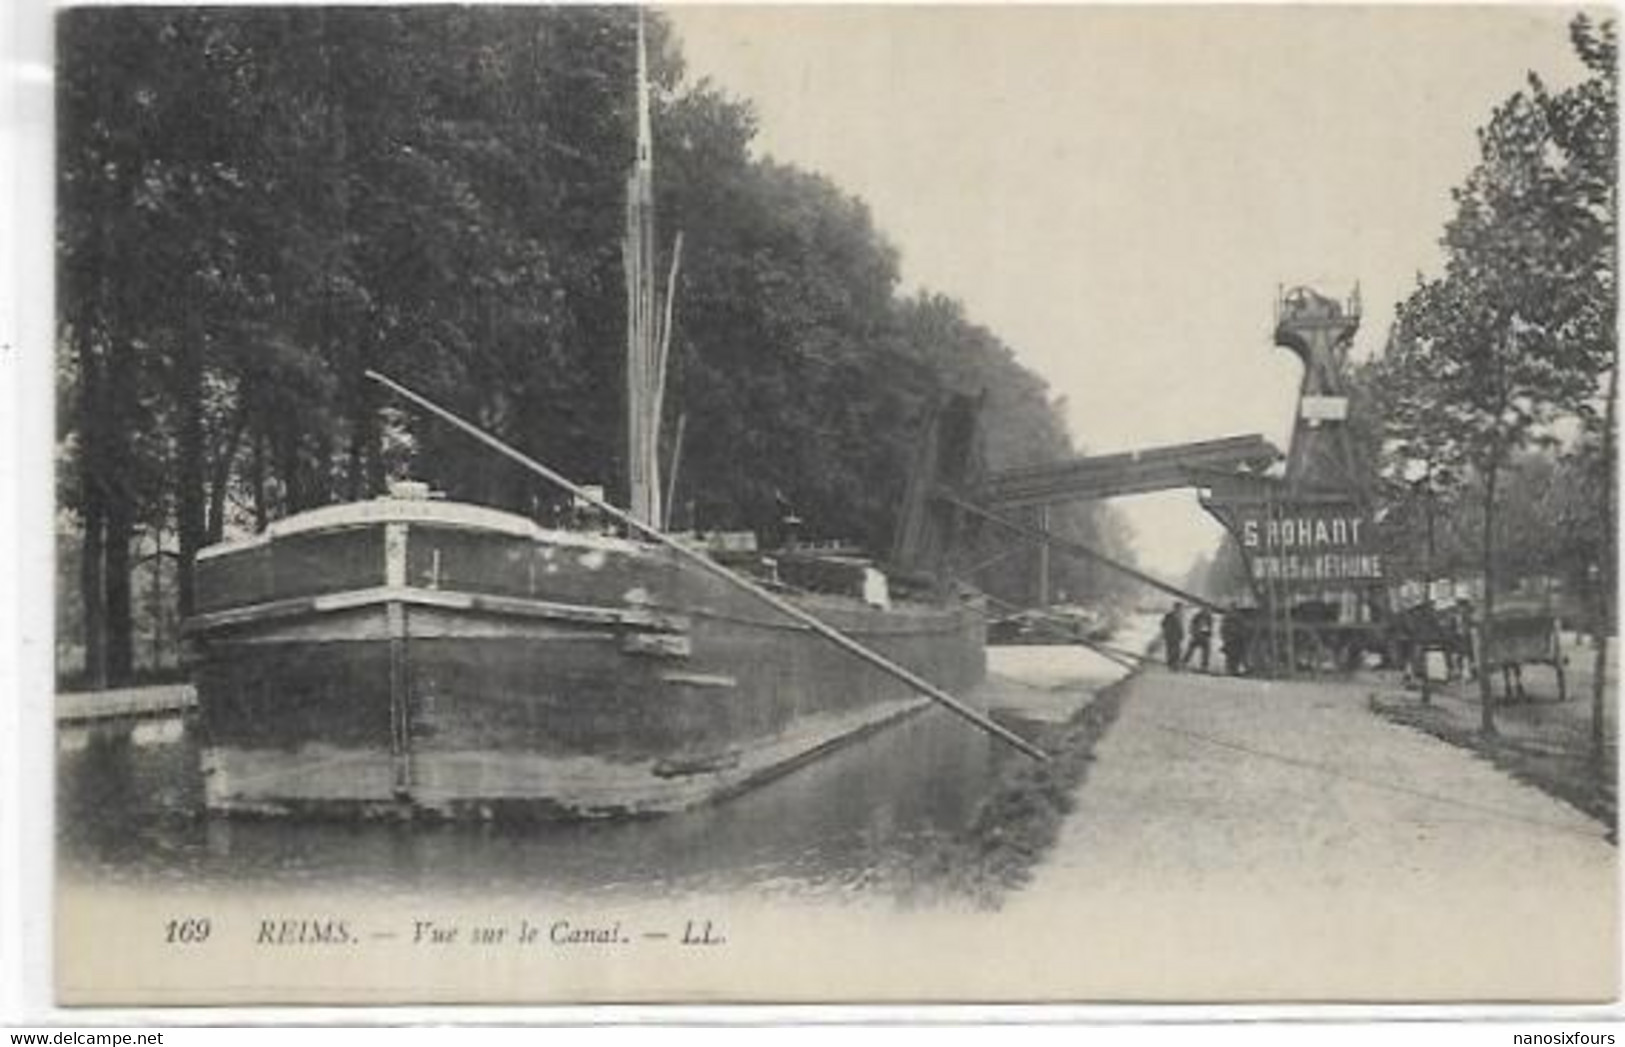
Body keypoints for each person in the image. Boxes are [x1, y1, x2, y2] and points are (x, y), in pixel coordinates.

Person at [1219, 604, 1248, 676]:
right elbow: (1242, 627)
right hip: (1235, 638)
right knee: (1234, 656)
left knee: (1231, 656)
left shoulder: (1227, 616)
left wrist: (1224, 638)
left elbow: (1223, 628)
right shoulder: (1238, 616)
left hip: (1232, 638)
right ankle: (1232, 670)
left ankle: (1231, 670)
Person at [1183, 606, 1214, 672]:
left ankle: (1204, 666)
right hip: (1197, 635)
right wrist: (1194, 633)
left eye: (1208, 611)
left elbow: (1210, 627)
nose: (1208, 612)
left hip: (1204, 636)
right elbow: (1192, 625)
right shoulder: (1197, 616)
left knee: (1206, 652)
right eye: (1206, 610)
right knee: (1190, 650)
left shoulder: (1209, 618)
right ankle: (1184, 663)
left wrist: (1209, 633)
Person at [1160, 602, 1185, 671]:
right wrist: (1167, 632)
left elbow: (1180, 627)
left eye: (1181, 608)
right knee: (1170, 650)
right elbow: (1163, 624)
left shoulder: (1180, 616)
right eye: (1179, 608)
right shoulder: (1169, 615)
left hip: (1176, 636)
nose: (1180, 609)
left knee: (1177, 651)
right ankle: (1171, 664)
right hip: (1170, 636)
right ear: (1175, 608)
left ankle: (1175, 664)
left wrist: (1181, 634)